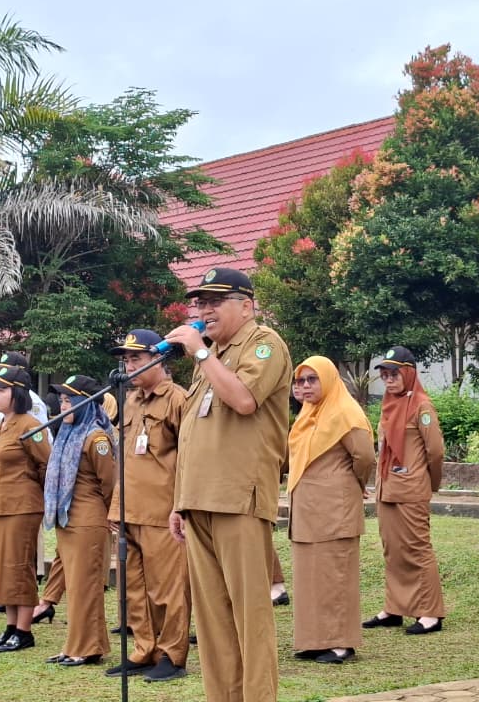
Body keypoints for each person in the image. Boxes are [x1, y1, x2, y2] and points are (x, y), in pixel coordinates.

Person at [164, 267, 293, 702]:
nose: (204, 310)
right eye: (200, 302)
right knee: (213, 622)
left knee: (249, 616)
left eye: (215, 301)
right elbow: (192, 435)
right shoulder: (212, 358)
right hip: (199, 500)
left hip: (239, 498)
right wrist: (180, 501)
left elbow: (242, 400)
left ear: (246, 304)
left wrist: (201, 353)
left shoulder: (263, 344)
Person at [103, 331, 192, 682]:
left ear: (160, 360)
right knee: (134, 589)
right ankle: (145, 650)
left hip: (162, 511)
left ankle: (172, 654)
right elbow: (124, 459)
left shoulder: (178, 400)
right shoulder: (132, 401)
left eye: (136, 359)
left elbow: (190, 458)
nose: (130, 366)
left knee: (169, 589)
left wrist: (183, 506)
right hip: (130, 510)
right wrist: (116, 508)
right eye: (126, 360)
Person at [287, 356, 375, 663]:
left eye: (313, 379)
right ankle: (314, 640)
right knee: (311, 574)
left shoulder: (346, 412)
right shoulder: (309, 413)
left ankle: (340, 642)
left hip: (335, 507)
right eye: (301, 381)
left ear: (328, 379)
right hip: (308, 507)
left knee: (335, 573)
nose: (306, 386)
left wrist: (351, 484)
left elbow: (364, 457)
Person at [364, 346, 446, 635]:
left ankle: (430, 613)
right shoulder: (389, 404)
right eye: (385, 374)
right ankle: (394, 608)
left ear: (409, 373)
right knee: (392, 550)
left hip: (411, 489)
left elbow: (435, 451)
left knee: (417, 549)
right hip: (387, 489)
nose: (389, 379)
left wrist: (429, 483)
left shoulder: (422, 406)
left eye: (394, 373)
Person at [42, 374, 115, 666]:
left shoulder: (96, 438)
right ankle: (78, 644)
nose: (62, 405)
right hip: (68, 520)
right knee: (75, 586)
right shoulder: (67, 435)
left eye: (68, 399)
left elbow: (109, 483)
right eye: (61, 399)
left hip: (89, 521)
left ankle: (86, 647)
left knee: (85, 587)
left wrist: (113, 517)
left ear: (85, 403)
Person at [0, 365, 50, 652]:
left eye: (1, 390)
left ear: (17, 393)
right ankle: (10, 627)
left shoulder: (30, 425)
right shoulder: (3, 424)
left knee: (18, 567)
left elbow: (46, 464)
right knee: (2, 570)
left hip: (21, 507)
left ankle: (24, 630)